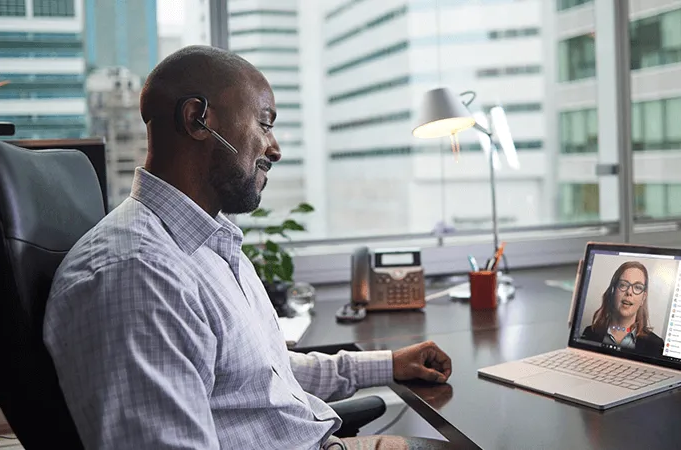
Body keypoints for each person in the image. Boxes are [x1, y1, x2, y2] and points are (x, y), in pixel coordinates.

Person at [43, 45, 453, 450]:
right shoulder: (138, 275)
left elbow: (259, 373)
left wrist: (389, 364)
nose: (274, 148)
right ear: (197, 119)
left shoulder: (207, 244)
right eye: (264, 123)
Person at [581, 261, 664, 357]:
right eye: (623, 285)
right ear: (613, 291)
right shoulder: (589, 333)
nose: (629, 292)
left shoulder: (655, 345)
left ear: (643, 298)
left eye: (637, 287)